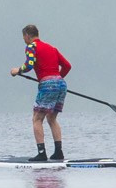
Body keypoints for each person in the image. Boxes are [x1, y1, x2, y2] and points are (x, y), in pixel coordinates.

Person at [13, 24, 72, 162]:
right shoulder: (52, 48)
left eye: (24, 37)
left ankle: (41, 153)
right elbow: (67, 66)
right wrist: (57, 79)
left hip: (47, 84)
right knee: (52, 118)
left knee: (37, 119)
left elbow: (29, 64)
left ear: (27, 35)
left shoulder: (31, 47)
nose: (24, 40)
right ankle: (58, 152)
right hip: (61, 84)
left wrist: (17, 70)